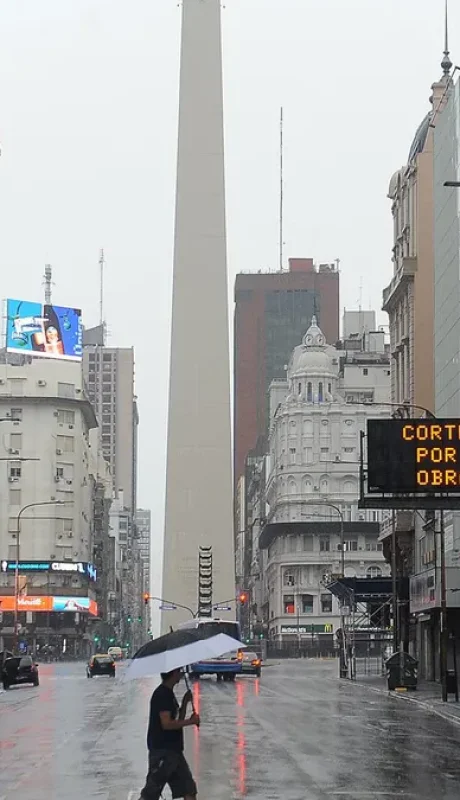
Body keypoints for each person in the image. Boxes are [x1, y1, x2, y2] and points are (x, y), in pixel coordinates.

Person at [139, 668, 200, 800]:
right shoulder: (162, 695)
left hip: (174, 751)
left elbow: (176, 720)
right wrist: (190, 721)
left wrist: (185, 702)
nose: (181, 673)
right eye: (179, 671)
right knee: (151, 793)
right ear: (173, 674)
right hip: (162, 752)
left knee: (189, 789)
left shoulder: (169, 693)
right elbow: (166, 724)